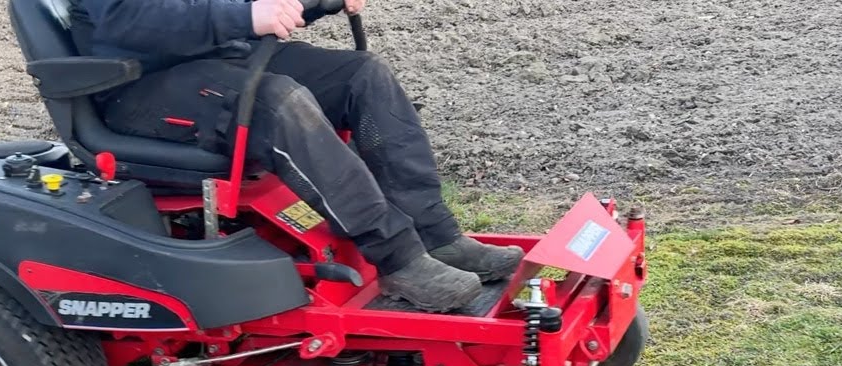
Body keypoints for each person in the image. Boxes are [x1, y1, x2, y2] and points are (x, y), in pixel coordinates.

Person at [65, 0, 523, 312]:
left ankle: (436, 233)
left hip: (217, 57)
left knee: (363, 75)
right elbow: (127, 19)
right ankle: (397, 257)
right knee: (279, 101)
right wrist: (245, 15)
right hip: (137, 87)